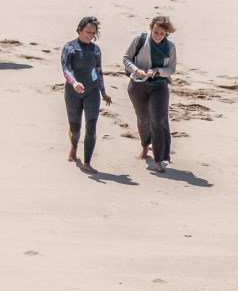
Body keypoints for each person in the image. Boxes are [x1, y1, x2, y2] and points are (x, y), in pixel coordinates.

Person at [123, 15, 178, 173]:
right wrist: (136, 70)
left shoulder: (170, 46)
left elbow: (172, 68)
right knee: (143, 120)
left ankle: (160, 159)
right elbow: (126, 58)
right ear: (151, 29)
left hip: (159, 86)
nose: (158, 36)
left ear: (166, 33)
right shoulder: (140, 40)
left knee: (158, 120)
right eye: (156, 32)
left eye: (162, 34)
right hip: (138, 86)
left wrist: (158, 71)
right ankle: (145, 146)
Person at [60, 16, 113, 173]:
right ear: (79, 30)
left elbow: (97, 71)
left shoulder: (95, 49)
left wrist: (103, 92)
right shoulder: (69, 47)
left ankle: (87, 162)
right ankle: (74, 147)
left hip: (92, 91)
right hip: (73, 92)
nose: (90, 35)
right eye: (87, 32)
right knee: (75, 127)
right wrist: (74, 83)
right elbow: (66, 69)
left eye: (93, 33)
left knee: (91, 127)